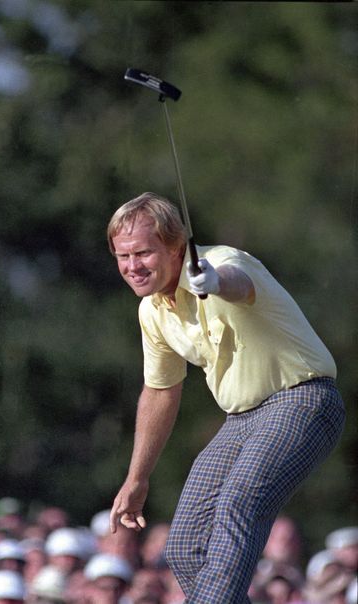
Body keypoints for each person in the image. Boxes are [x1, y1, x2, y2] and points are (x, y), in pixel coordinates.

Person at [107, 192, 345, 603]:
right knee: (184, 546)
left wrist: (214, 282)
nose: (132, 266)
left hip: (302, 401)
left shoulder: (222, 262)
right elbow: (161, 391)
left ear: (176, 246)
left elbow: (240, 284)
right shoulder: (152, 311)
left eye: (143, 253)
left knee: (238, 503)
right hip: (241, 420)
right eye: (122, 256)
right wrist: (137, 478)